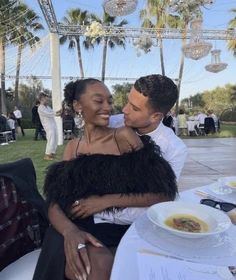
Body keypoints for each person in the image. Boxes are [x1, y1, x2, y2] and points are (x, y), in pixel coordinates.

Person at [33, 78, 178, 280]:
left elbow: (163, 194)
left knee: (97, 265)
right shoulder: (73, 147)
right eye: (98, 101)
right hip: (75, 225)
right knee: (88, 262)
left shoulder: (124, 137)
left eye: (109, 101)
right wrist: (70, 232)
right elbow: (55, 202)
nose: (108, 107)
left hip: (115, 226)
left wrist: (103, 202)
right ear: (77, 105)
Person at [109, 74, 187, 181]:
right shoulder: (112, 123)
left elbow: (165, 192)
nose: (124, 110)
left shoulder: (174, 148)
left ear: (155, 116)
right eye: (128, 102)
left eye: (134, 108)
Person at [38, 92, 58, 160]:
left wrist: (58, 112)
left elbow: (52, 112)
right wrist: (56, 114)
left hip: (53, 124)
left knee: (55, 139)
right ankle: (47, 154)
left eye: (47, 99)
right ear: (41, 99)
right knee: (51, 139)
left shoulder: (48, 107)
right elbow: (48, 114)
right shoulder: (40, 108)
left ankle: (52, 153)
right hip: (48, 125)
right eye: (46, 99)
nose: (47, 100)